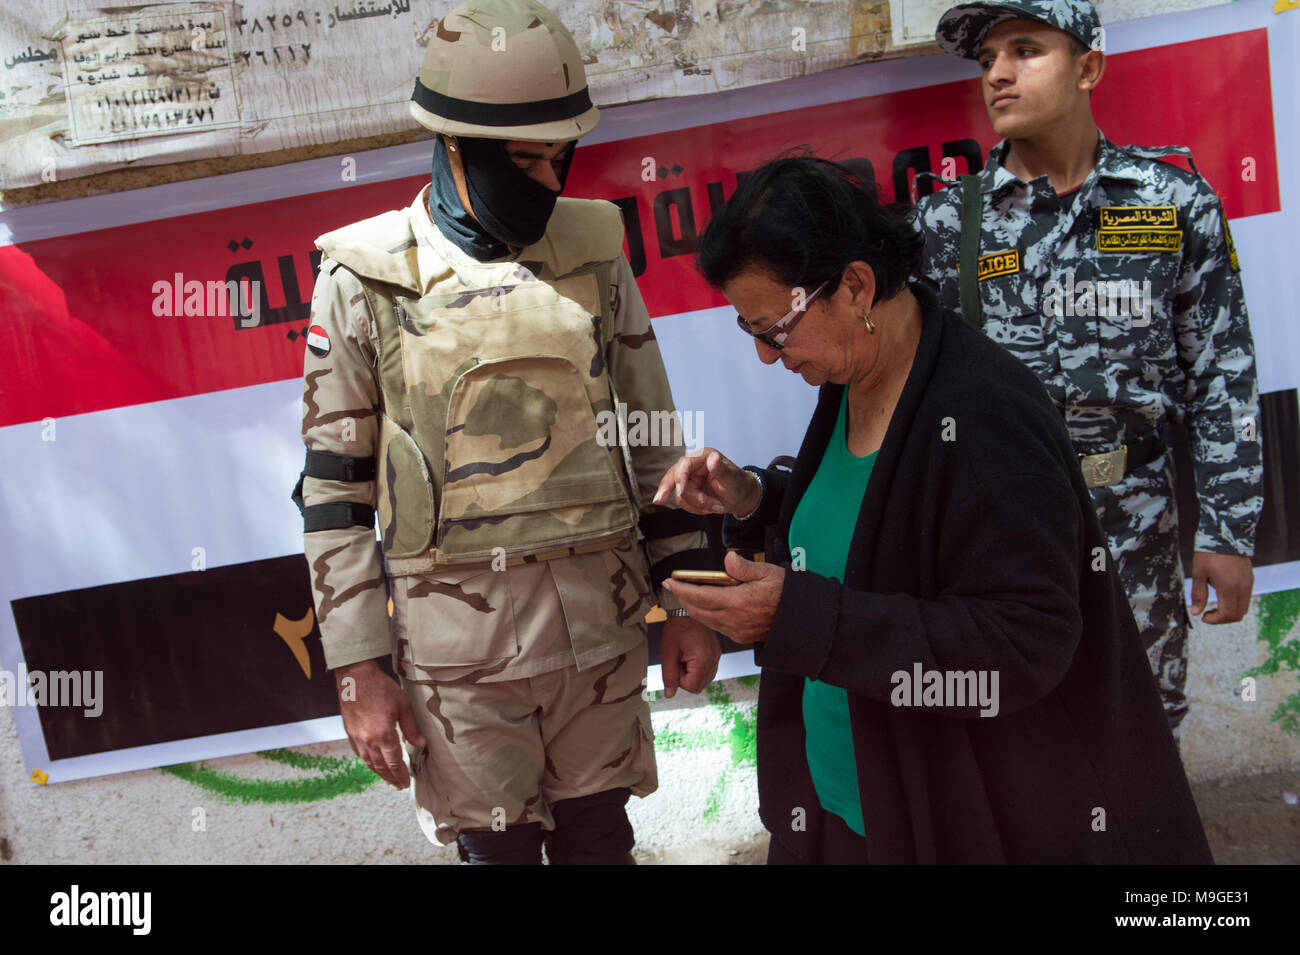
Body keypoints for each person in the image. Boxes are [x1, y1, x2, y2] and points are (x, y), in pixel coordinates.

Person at [654, 154, 1213, 863]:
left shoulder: (983, 413)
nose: (768, 356)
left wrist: (798, 616)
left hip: (949, 819)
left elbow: (1024, 640)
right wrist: (756, 496)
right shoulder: (854, 381)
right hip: (844, 806)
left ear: (855, 286)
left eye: (774, 328)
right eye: (752, 332)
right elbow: (885, 533)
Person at [294, 0, 719, 865]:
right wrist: (358, 670)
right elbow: (335, 491)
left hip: (597, 633)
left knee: (605, 845)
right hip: (459, 659)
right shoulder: (363, 277)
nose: (550, 178)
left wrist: (685, 597)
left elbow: (652, 439)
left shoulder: (595, 244)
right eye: (524, 159)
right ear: (455, 146)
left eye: (561, 155)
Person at [914, 0, 1263, 737]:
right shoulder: (946, 226)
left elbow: (1221, 376)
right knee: (1020, 734)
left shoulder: (1173, 204)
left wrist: (1229, 532)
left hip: (1135, 514)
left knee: (1142, 722)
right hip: (1001, 530)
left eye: (1024, 50)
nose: (998, 75)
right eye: (986, 61)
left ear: (1089, 68)